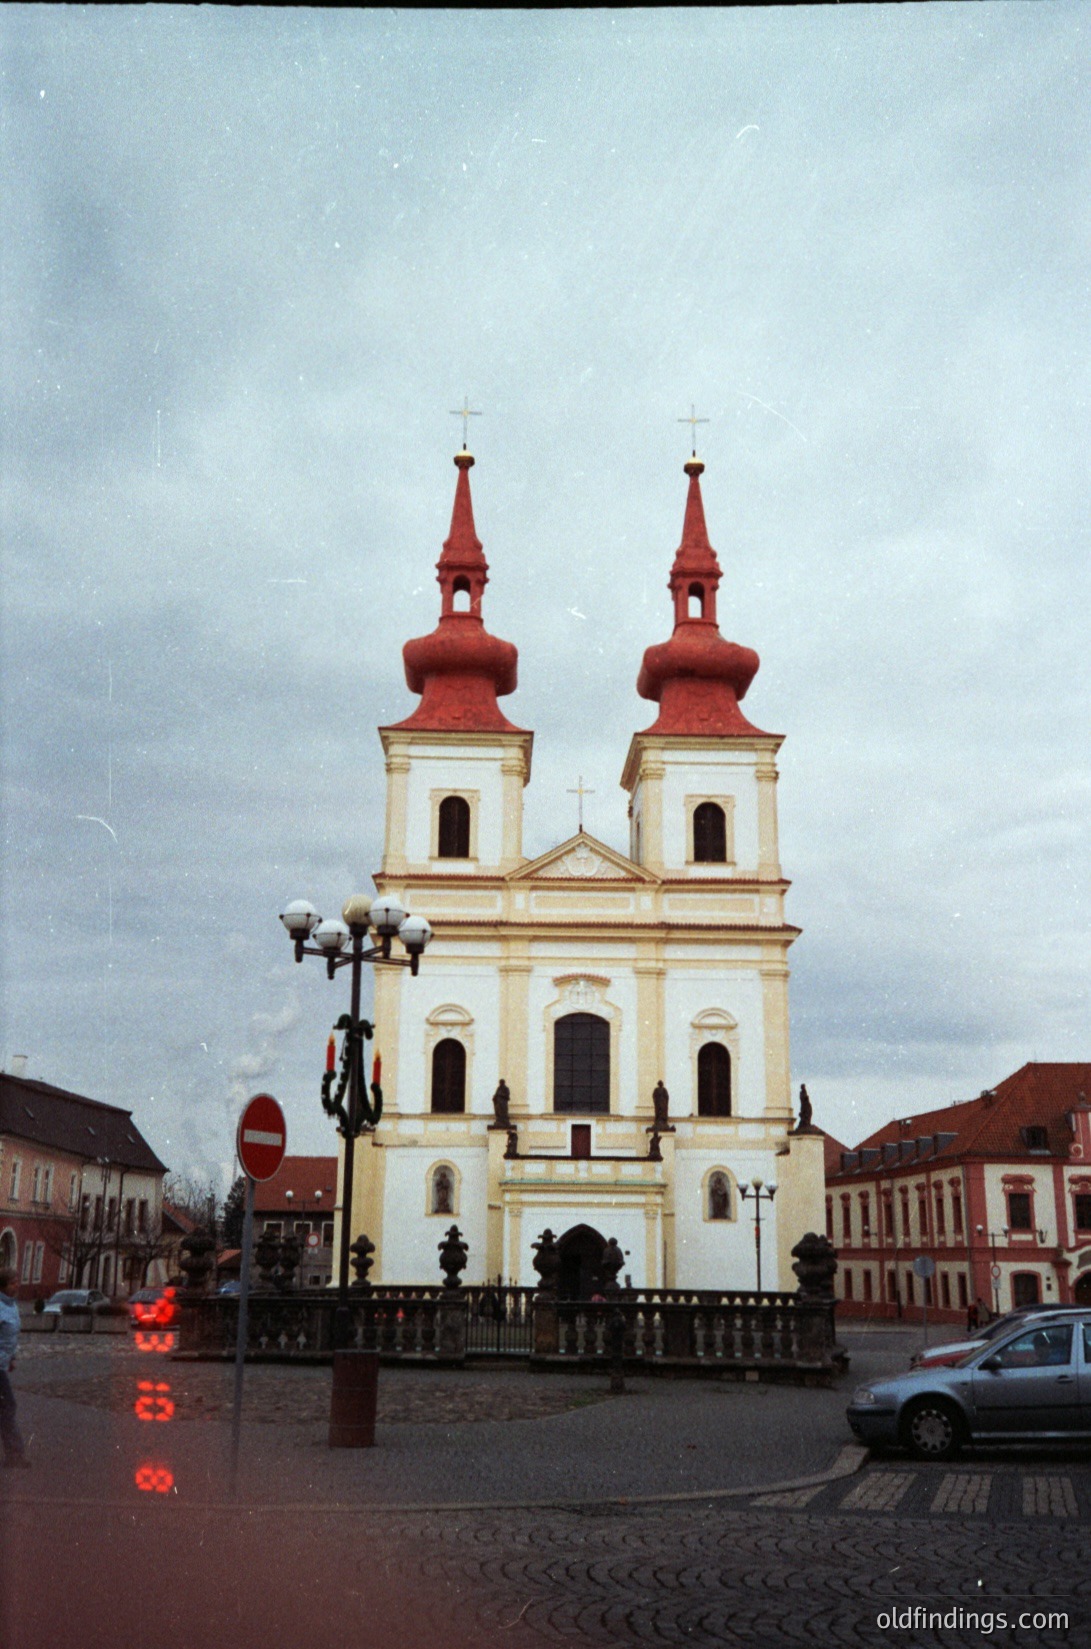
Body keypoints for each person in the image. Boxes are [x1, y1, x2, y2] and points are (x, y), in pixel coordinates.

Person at [0, 1268, 30, 1468]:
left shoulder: (11, 1305)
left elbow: (9, 1337)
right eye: (12, 1282)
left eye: (17, 1281)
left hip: (2, 1363)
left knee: (6, 1408)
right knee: (8, 1407)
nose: (16, 1285)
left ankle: (14, 1453)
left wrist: (12, 1358)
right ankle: (15, 1454)